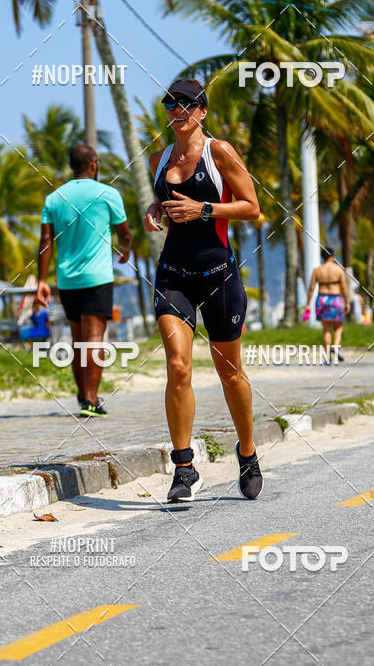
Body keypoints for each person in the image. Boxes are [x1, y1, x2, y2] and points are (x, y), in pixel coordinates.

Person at [144, 78, 263, 503]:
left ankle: (247, 453)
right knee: (178, 366)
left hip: (219, 276)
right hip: (173, 274)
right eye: (171, 105)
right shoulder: (158, 159)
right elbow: (169, 200)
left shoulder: (220, 152)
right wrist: (156, 209)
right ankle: (184, 467)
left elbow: (252, 207)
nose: (178, 111)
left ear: (202, 112)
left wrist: (204, 209)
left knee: (230, 373)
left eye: (187, 105)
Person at [37, 144, 132, 417]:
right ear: (93, 164)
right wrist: (125, 250)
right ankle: (91, 400)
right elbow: (124, 233)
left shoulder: (54, 198)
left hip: (67, 280)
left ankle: (83, 396)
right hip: (97, 277)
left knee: (78, 339)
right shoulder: (108, 194)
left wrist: (42, 280)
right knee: (94, 339)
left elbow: (45, 241)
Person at [304, 246, 350, 362]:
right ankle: (336, 346)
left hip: (322, 299)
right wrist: (347, 301)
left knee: (326, 329)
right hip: (336, 298)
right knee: (338, 327)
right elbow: (344, 287)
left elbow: (311, 288)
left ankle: (328, 358)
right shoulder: (339, 269)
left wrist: (308, 304)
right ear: (332, 256)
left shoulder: (317, 270)